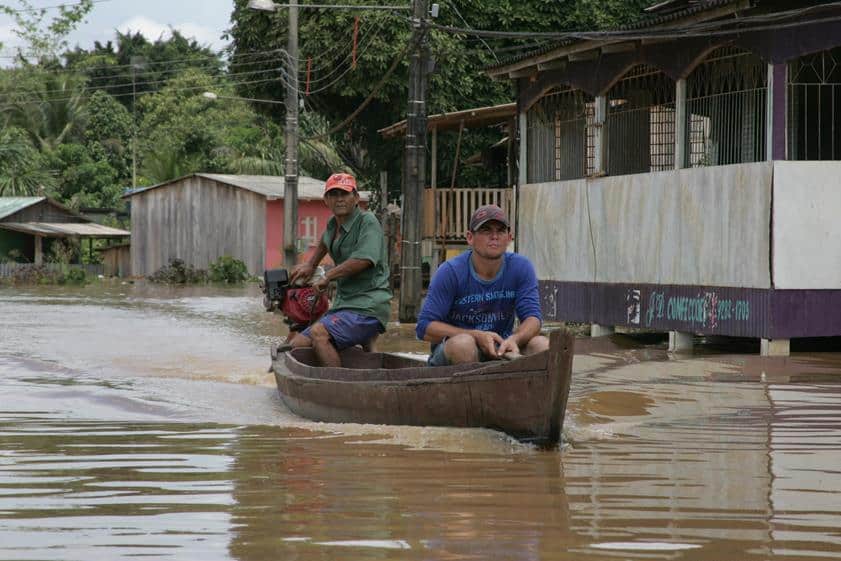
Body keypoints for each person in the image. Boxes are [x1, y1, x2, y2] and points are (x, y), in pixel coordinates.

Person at [416, 204, 549, 366]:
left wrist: (515, 339)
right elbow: (424, 328)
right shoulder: (450, 272)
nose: (494, 236)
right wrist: (475, 335)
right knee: (464, 344)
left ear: (509, 237)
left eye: (500, 231)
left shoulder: (521, 267)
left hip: (501, 347)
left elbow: (533, 319)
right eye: (486, 230)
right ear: (470, 237)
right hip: (455, 352)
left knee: (543, 345)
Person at [287, 172, 392, 367]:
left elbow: (363, 259)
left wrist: (328, 276)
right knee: (296, 346)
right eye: (333, 194)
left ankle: (338, 381)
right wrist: (311, 264)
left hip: (367, 306)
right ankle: (358, 358)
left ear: (356, 197)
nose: (339, 199)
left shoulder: (367, 221)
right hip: (343, 305)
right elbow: (325, 241)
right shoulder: (333, 223)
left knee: (319, 333)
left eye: (344, 193)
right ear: (326, 200)